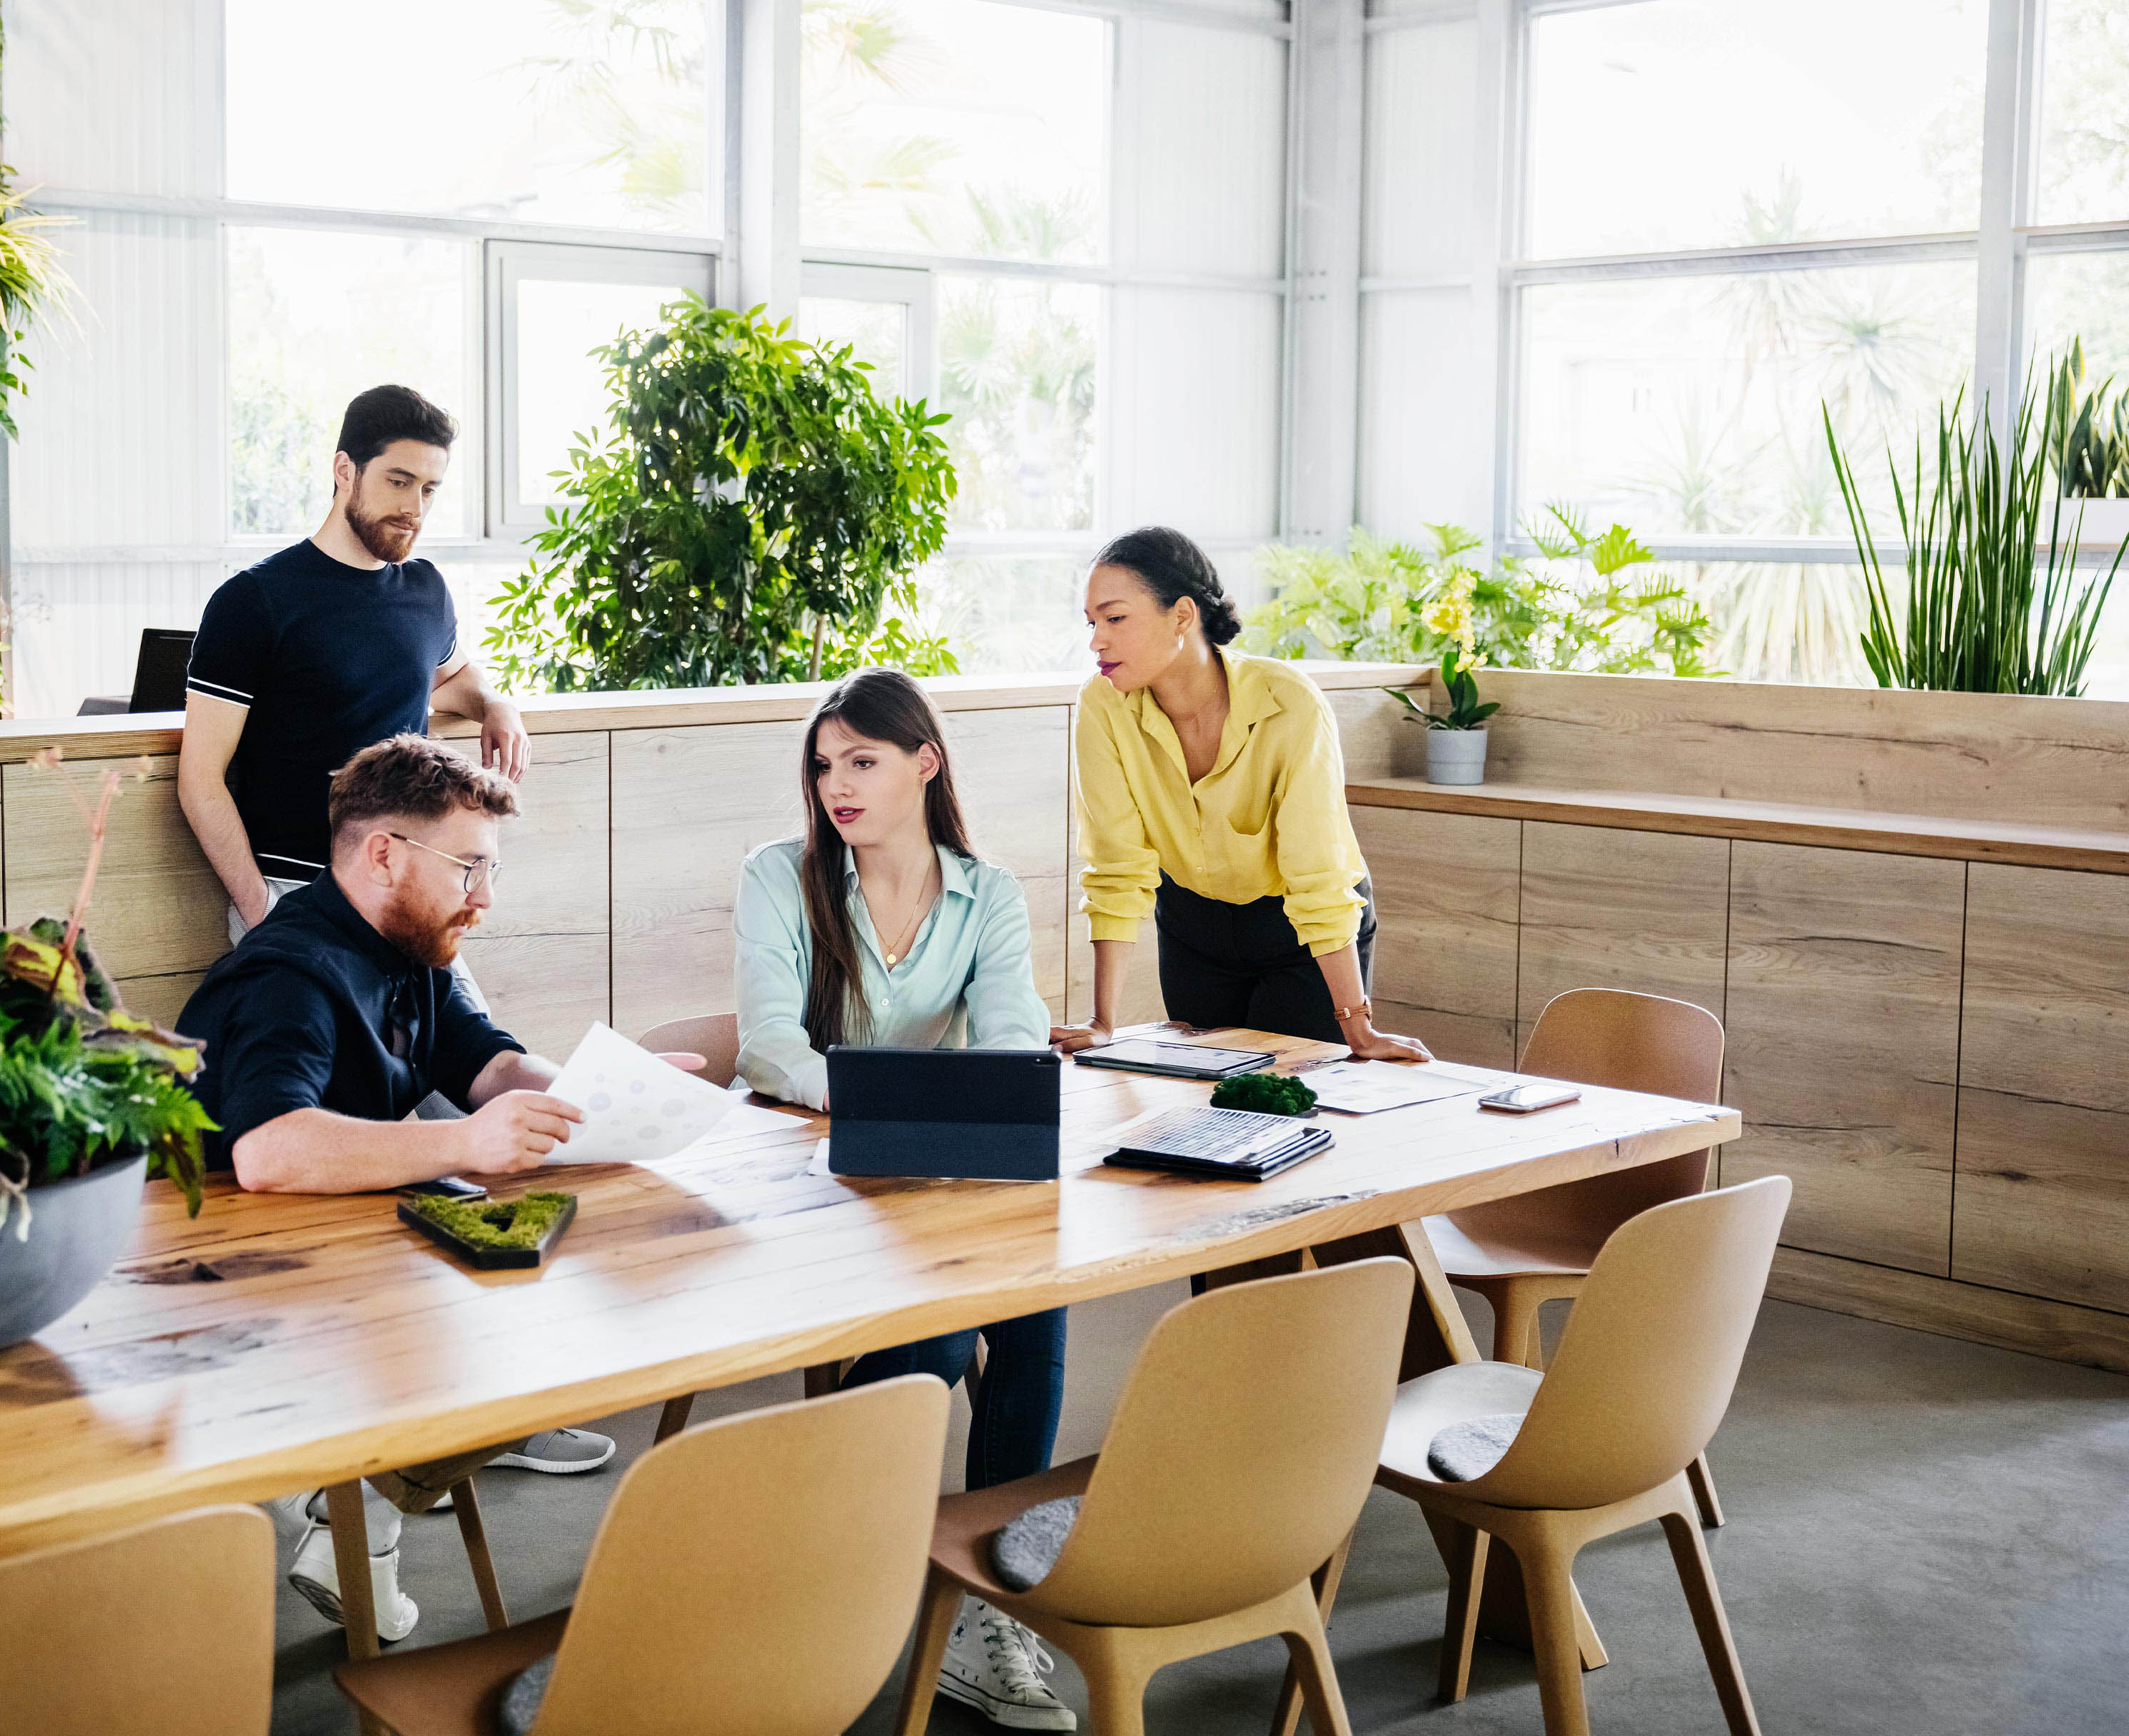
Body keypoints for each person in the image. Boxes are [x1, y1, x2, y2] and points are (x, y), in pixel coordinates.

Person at [180, 736, 686, 1639]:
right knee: (505, 1301)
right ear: (385, 854)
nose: (484, 897)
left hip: (343, 1242)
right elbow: (264, 1152)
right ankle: (353, 1509)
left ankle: (359, 1511)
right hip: (231, 1274)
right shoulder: (286, 973)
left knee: (544, 1285)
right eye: (469, 868)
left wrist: (607, 1093)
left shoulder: (415, 947)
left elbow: (486, 1064)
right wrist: (466, 1141)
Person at [731, 668, 1076, 1733]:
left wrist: (932, 1107)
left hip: (931, 1166)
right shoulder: (778, 877)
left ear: (925, 762)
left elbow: (1015, 1038)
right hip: (805, 1172)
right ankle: (859, 1560)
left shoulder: (989, 893)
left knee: (1037, 1301)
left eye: (863, 761)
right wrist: (872, 1090)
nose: (838, 782)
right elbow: (767, 1043)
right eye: (826, 764)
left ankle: (985, 1594)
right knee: (934, 1343)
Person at [1056, 526, 1430, 1063]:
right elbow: (1116, 866)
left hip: (1298, 935)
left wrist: (1360, 1029)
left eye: (1114, 619)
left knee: (1289, 1098)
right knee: (1203, 1103)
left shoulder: (1289, 703)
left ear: (1182, 616)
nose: (1096, 640)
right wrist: (1102, 1023)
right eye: (1091, 622)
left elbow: (1317, 876)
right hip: (1193, 927)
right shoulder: (1103, 704)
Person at [177, 383, 533, 946]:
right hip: (297, 896)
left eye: (429, 489)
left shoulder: (426, 590)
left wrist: (496, 704)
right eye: (398, 482)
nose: (414, 508)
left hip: (412, 892)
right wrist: (261, 911)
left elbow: (448, 676)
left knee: (471, 1035)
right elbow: (199, 781)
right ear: (346, 470)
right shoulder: (253, 600)